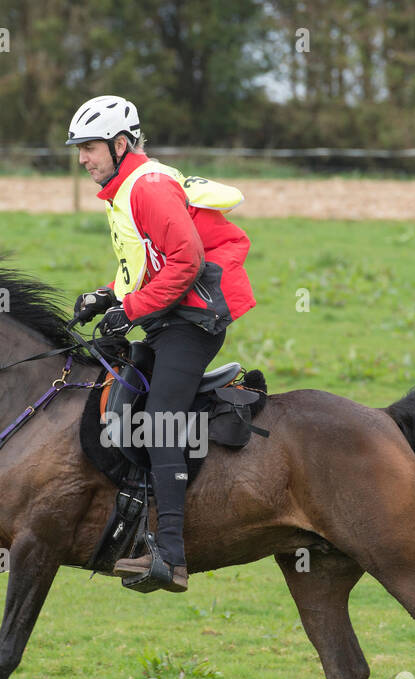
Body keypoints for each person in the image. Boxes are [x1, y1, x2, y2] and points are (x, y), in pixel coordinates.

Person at [67, 95, 256, 594]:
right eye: (79, 149)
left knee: (161, 419)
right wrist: (104, 297)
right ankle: (136, 524)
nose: (82, 159)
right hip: (168, 315)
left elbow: (185, 263)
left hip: (192, 320)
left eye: (89, 147)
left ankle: (170, 554)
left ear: (120, 143)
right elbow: (144, 265)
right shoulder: (124, 188)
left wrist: (126, 312)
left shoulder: (146, 187)